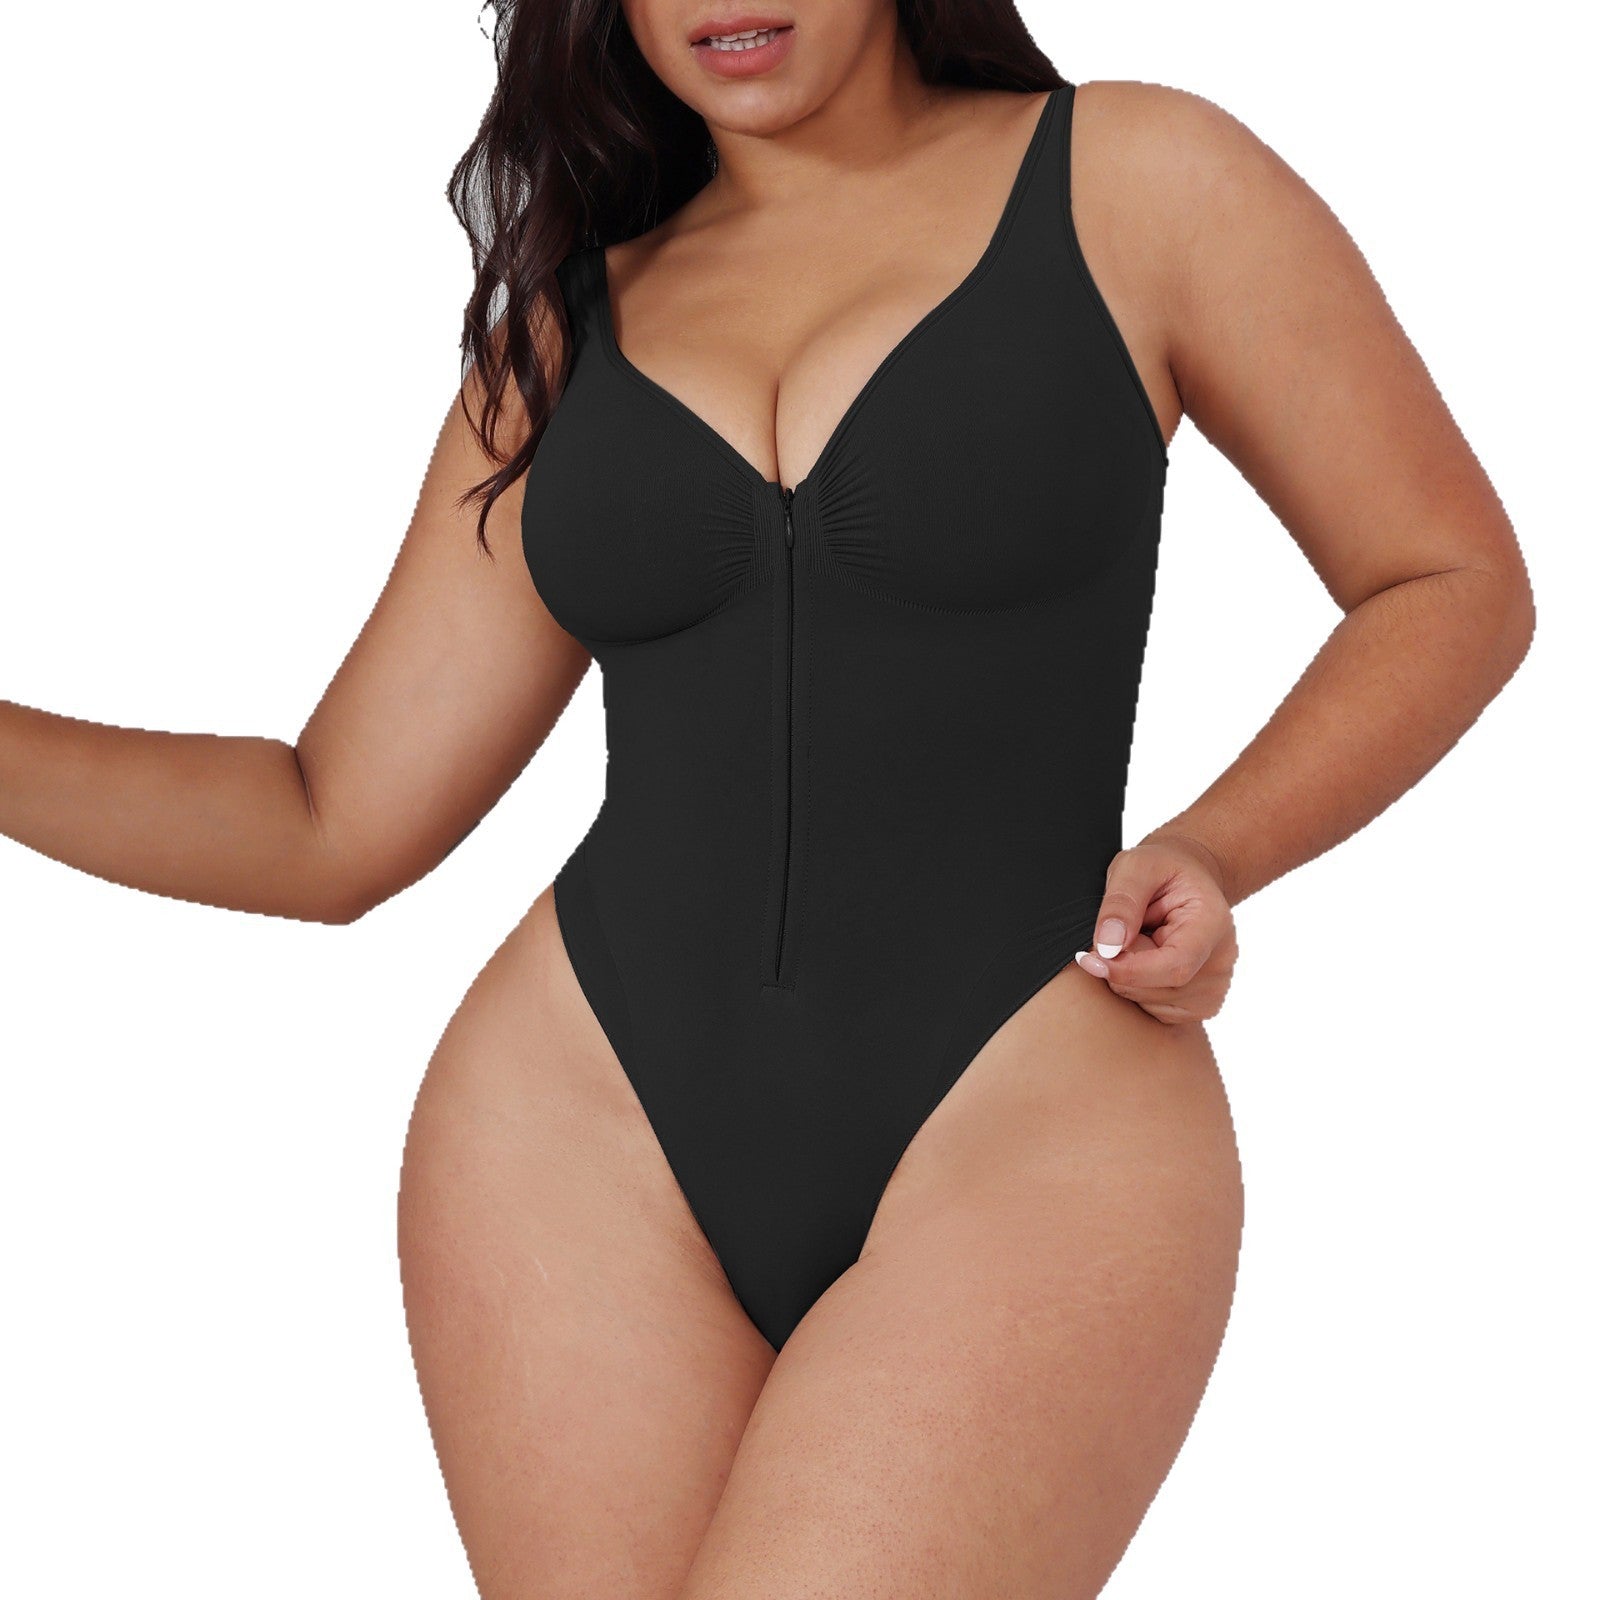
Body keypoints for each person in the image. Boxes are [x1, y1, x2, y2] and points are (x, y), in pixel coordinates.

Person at [0, 2, 1534, 1596]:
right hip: (578, 1129)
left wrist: (1220, 847)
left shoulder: (1135, 179)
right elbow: (328, 822)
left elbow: (1447, 578)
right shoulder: (564, 329)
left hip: (1030, 1103)